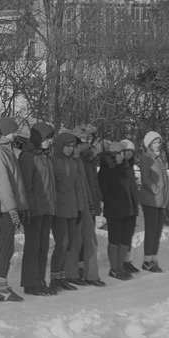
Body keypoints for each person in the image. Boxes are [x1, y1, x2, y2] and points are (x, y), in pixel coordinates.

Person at [0, 117, 28, 302]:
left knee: (8, 247)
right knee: (4, 248)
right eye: (13, 130)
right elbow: (3, 183)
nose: (16, 133)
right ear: (4, 132)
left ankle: (3, 284)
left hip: (9, 207)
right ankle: (1, 289)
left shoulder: (7, 149)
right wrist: (12, 208)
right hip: (3, 208)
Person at [18, 121, 56, 296]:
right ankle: (30, 283)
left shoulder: (45, 156)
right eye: (47, 139)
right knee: (33, 247)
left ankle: (41, 280)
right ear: (38, 139)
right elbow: (27, 186)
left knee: (43, 246)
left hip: (46, 209)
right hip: (34, 210)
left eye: (50, 139)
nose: (49, 142)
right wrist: (30, 209)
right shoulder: (28, 157)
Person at [64, 138, 104, 287]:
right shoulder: (67, 162)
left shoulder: (79, 162)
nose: (75, 149)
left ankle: (92, 275)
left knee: (91, 241)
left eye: (75, 146)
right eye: (71, 146)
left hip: (85, 206)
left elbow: (85, 185)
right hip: (73, 207)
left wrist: (90, 204)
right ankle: (71, 273)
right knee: (74, 242)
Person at [98, 141, 137, 280]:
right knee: (115, 238)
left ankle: (120, 266)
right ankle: (114, 268)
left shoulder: (126, 167)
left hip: (129, 208)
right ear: (113, 155)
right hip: (114, 209)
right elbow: (105, 191)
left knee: (126, 238)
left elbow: (131, 188)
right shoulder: (106, 169)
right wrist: (113, 204)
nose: (123, 156)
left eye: (123, 153)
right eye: (119, 153)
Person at [49, 131, 81, 293]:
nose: (69, 149)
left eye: (72, 146)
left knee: (67, 244)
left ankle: (61, 277)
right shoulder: (53, 161)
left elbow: (76, 187)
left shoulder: (72, 163)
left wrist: (79, 208)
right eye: (67, 146)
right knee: (62, 243)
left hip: (71, 209)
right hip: (58, 210)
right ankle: (54, 277)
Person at [138, 131, 169, 272]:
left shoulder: (159, 158)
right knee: (151, 230)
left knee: (158, 231)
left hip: (162, 200)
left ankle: (153, 258)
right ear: (149, 144)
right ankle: (146, 261)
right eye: (155, 142)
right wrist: (157, 190)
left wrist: (165, 194)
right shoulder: (146, 158)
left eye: (159, 142)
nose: (157, 145)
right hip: (151, 200)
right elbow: (146, 179)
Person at [120, 139, 141, 274]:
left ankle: (127, 260)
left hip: (132, 204)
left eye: (131, 151)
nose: (129, 153)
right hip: (123, 205)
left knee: (129, 234)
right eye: (127, 150)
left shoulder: (130, 166)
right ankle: (121, 261)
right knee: (123, 234)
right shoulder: (119, 166)